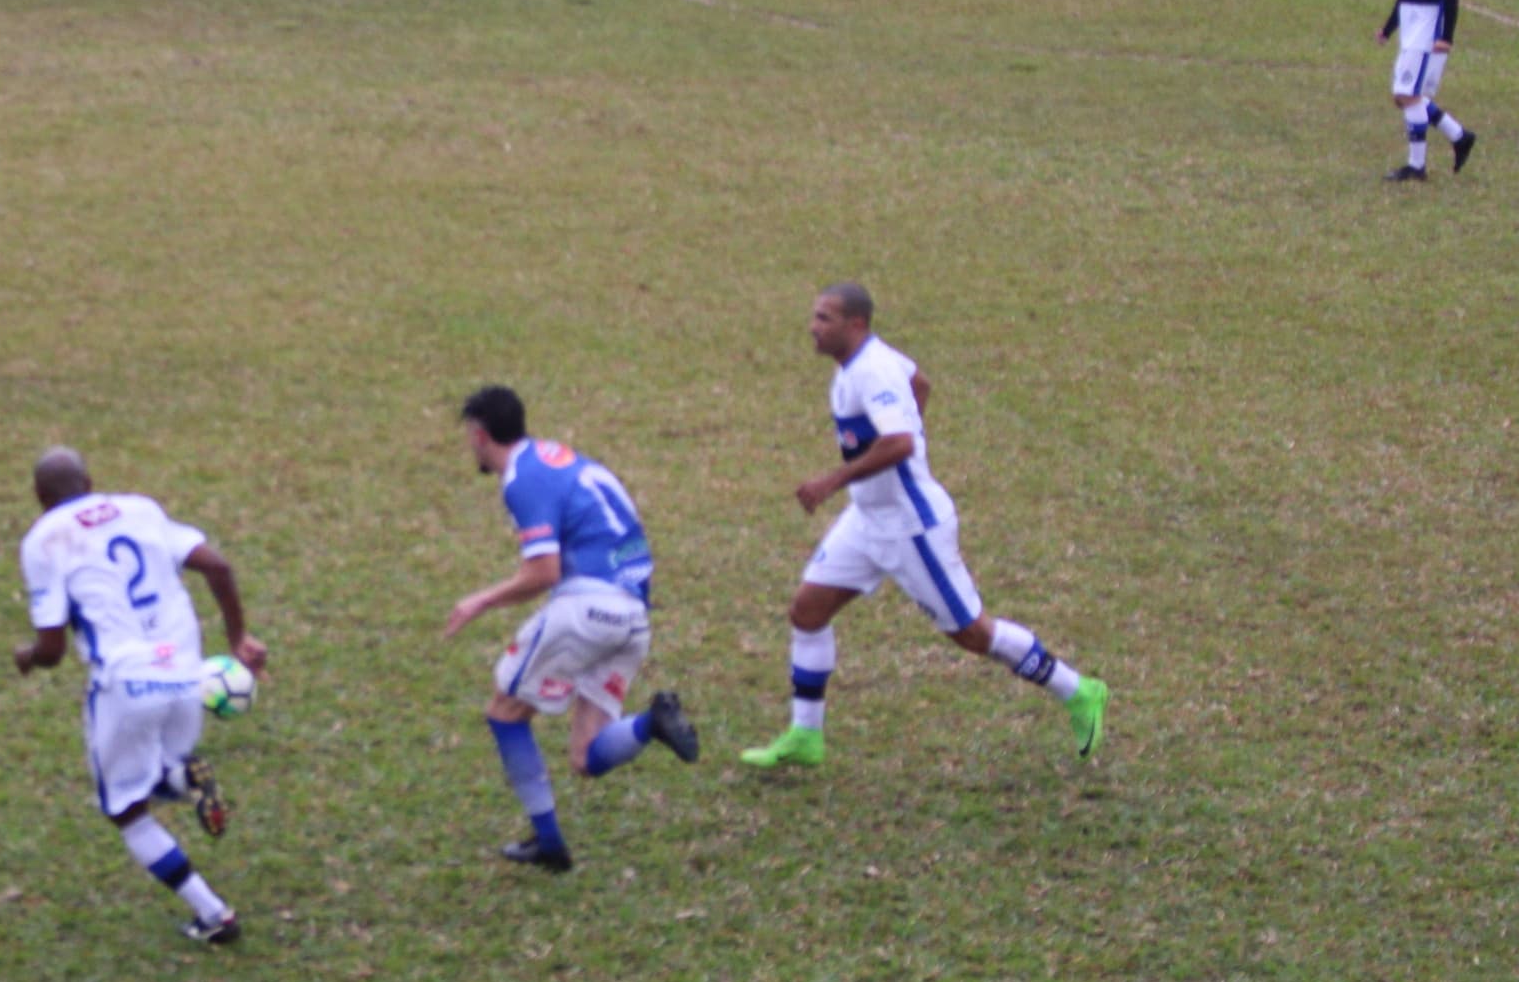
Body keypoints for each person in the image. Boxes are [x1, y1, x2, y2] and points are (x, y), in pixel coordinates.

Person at [740, 285, 1108, 770]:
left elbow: (899, 444)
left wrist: (833, 479)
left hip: (910, 527)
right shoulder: (863, 362)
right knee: (807, 612)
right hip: (867, 519)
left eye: (824, 318)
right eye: (814, 316)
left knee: (973, 634)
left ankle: (1078, 690)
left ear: (855, 325)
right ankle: (805, 735)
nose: (813, 326)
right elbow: (921, 384)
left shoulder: (870, 371)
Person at [15, 448, 267, 946]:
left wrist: (27, 657)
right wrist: (238, 637)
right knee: (153, 773)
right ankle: (181, 775)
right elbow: (216, 565)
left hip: (126, 682)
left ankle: (213, 914)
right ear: (90, 481)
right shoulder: (140, 509)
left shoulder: (43, 540)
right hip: (185, 673)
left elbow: (52, 648)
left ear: (39, 498)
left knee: (125, 810)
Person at [446, 387, 700, 874]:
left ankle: (550, 845)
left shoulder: (521, 479)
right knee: (586, 757)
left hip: (587, 609)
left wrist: (481, 599)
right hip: (632, 616)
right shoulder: (558, 458)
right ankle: (651, 723)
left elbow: (542, 572)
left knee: (504, 711)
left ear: (479, 435)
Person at [1380, 0, 1476, 184]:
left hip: (1427, 39)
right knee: (1408, 97)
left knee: (1406, 96)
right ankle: (1459, 137)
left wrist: (1446, 37)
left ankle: (1417, 167)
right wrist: (1387, 29)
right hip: (1411, 37)